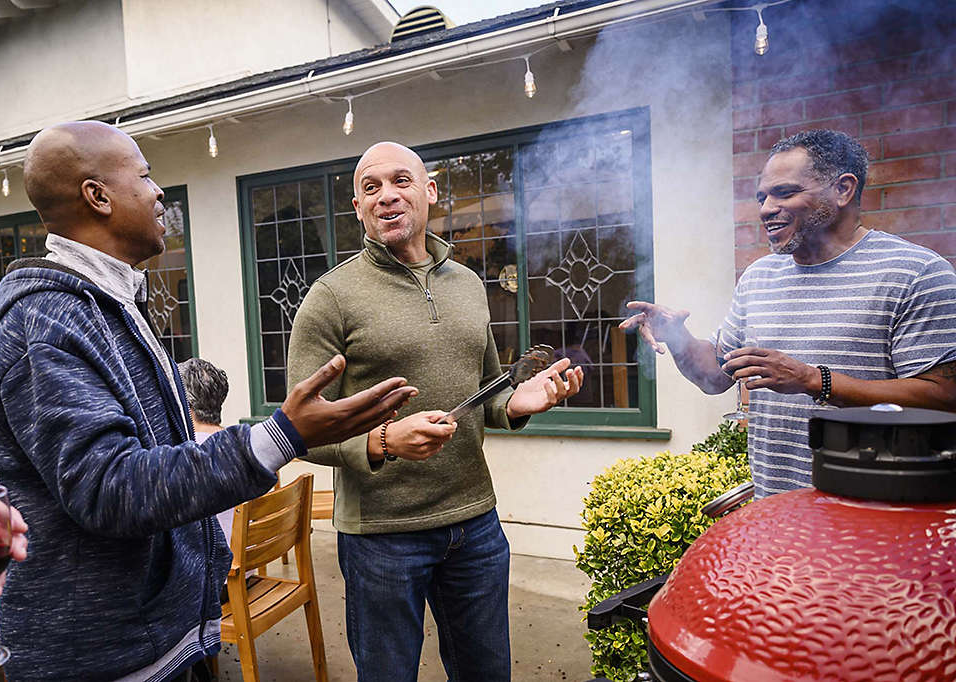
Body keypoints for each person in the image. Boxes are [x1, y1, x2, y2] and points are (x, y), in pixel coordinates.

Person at [0, 121, 417, 682]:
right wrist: (282, 435)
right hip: (103, 656)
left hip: (161, 636)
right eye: (145, 176)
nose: (160, 192)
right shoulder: (44, 324)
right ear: (98, 196)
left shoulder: (108, 302)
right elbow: (111, 488)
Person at [286, 141, 584, 682]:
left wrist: (517, 403)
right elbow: (300, 428)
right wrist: (381, 442)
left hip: (476, 525)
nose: (386, 197)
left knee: (486, 672)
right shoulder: (330, 297)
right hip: (381, 536)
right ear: (357, 208)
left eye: (401, 181)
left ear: (430, 191)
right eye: (370, 188)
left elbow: (488, 390)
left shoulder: (468, 284)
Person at [620, 129, 956, 498]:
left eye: (785, 193)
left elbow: (943, 396)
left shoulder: (915, 273)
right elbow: (717, 376)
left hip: (874, 518)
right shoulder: (760, 277)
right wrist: (678, 338)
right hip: (776, 513)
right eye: (762, 197)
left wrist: (814, 380)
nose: (765, 209)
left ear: (843, 189)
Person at [177, 357, 237, 548]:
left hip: (218, 566)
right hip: (250, 557)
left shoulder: (189, 454)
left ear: (186, 404)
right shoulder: (239, 444)